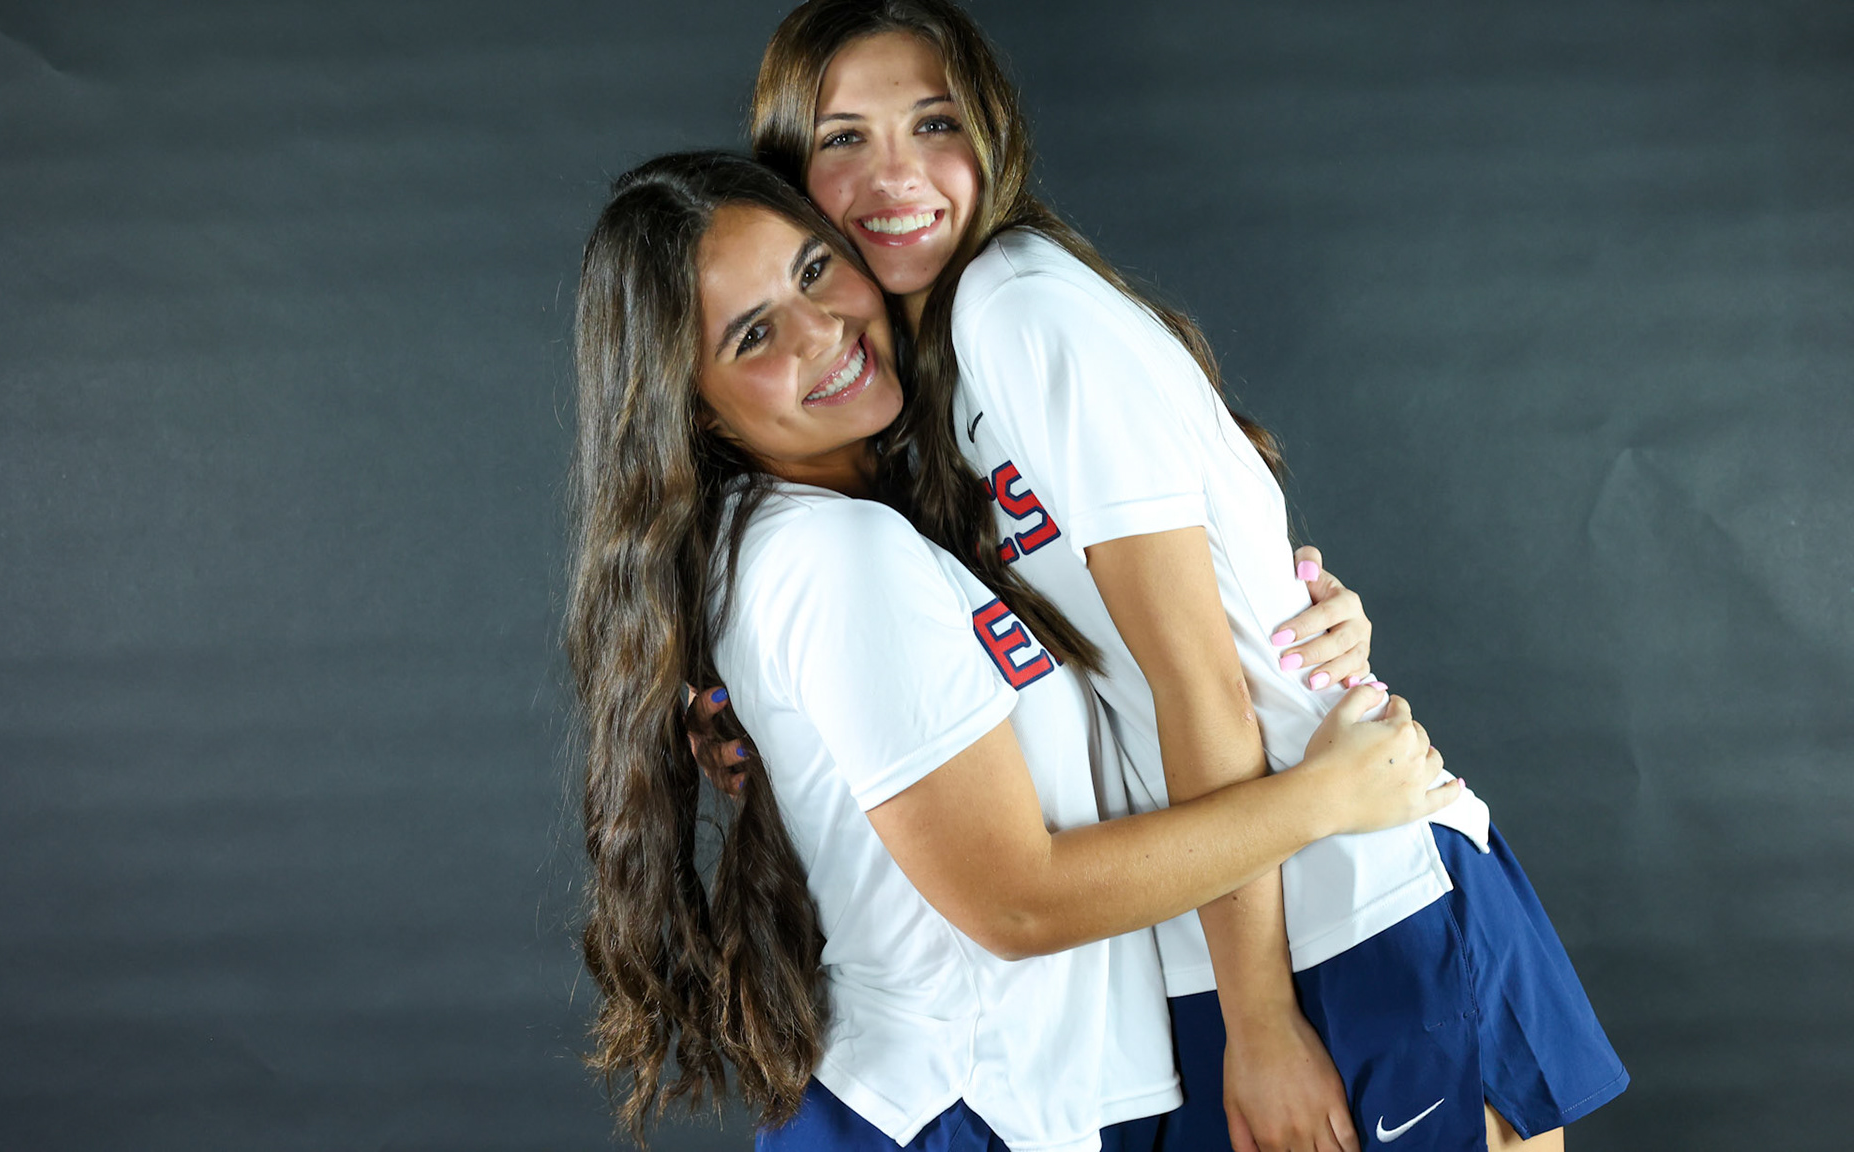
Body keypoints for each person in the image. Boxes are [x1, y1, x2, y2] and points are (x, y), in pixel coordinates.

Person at [744, 0, 1627, 1152]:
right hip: (1227, 920)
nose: (895, 176)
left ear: (992, 133)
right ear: (789, 173)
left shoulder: (1020, 309)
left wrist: (1261, 1018)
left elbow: (1194, 673)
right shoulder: (923, 394)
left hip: (1345, 897)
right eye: (844, 138)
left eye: (935, 122)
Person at [565, 150, 1461, 1151]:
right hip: (960, 1110)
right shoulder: (833, 553)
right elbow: (1017, 900)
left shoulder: (874, 521)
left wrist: (1286, 621)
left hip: (1026, 1106)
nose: (824, 332)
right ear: (692, 405)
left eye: (815, 269)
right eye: (756, 334)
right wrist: (1325, 794)